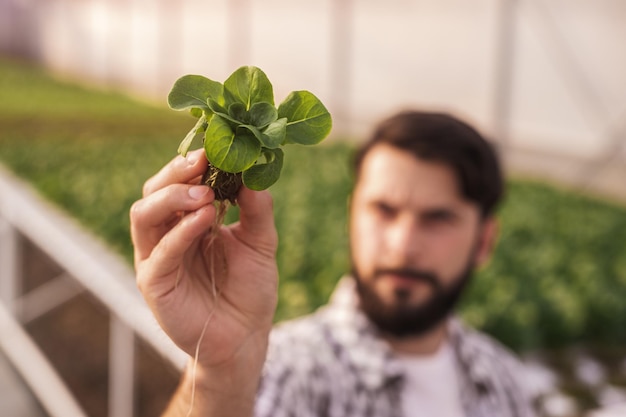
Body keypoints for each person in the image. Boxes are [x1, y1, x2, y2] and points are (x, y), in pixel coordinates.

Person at [130, 110, 537, 417]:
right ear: (351, 214)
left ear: (484, 241)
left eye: (437, 219)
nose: (402, 245)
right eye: (384, 210)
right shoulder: (288, 371)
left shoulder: (503, 379)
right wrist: (220, 373)